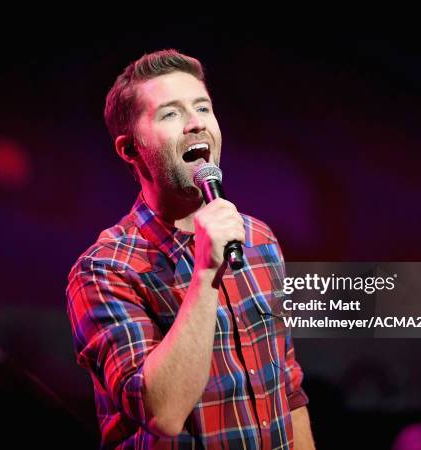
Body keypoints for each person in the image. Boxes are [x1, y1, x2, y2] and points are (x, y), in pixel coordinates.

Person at [66, 49, 315, 449]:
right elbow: (161, 413)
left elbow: (286, 386)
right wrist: (205, 273)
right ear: (130, 150)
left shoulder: (258, 240)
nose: (196, 123)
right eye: (171, 114)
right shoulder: (104, 270)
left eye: (203, 108)